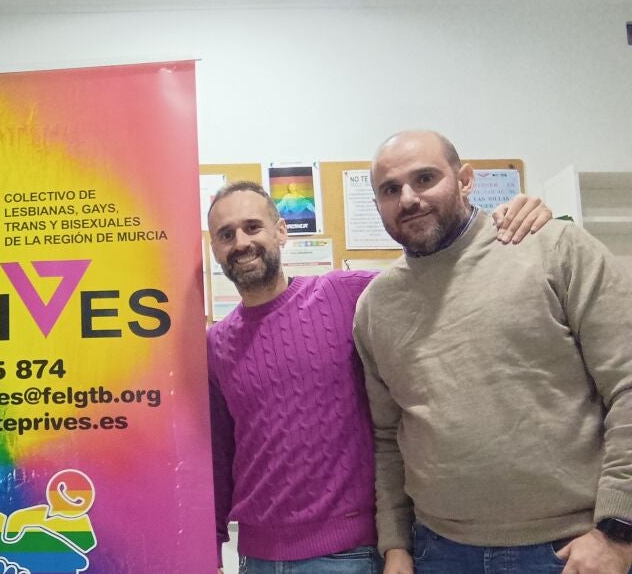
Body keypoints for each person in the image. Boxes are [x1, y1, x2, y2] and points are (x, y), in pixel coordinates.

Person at [207, 179, 551, 574]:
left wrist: (502, 225)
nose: (241, 243)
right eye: (226, 234)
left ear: (281, 231)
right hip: (256, 558)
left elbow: (437, 274)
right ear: (215, 248)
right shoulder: (216, 344)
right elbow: (219, 455)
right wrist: (209, 549)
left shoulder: (345, 295)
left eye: (253, 227)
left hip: (351, 555)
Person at [354, 130, 632, 574]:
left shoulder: (555, 248)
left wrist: (619, 531)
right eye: (390, 189)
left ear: (465, 180)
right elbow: (388, 437)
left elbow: (627, 386)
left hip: (572, 549)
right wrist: (396, 545)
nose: (408, 199)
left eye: (425, 178)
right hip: (438, 552)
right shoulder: (375, 305)